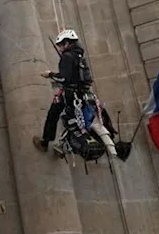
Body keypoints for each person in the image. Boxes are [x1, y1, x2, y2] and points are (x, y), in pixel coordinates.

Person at [33, 29, 122, 160]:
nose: (60, 48)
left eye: (61, 45)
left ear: (67, 43)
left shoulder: (67, 57)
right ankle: (62, 147)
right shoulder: (80, 56)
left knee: (54, 116)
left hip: (70, 95)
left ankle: (45, 142)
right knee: (77, 122)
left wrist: (50, 74)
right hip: (84, 95)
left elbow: (64, 79)